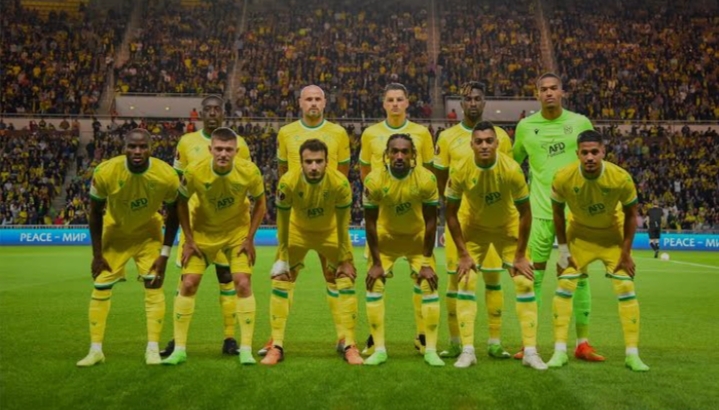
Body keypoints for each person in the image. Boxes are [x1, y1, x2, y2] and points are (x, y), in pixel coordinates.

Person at [513, 73, 602, 361]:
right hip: (539, 214)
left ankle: (582, 343)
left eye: (554, 88)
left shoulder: (580, 123)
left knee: (578, 276)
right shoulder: (526, 127)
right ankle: (529, 344)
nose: (549, 93)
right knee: (533, 277)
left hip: (574, 216)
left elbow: (593, 161)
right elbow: (512, 165)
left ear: (562, 92)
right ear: (536, 94)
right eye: (544, 89)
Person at [444, 122, 546, 370]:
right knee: (465, 280)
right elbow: (450, 213)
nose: (484, 145)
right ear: (471, 145)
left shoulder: (511, 169)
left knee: (524, 282)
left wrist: (520, 256)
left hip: (507, 227)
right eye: (479, 141)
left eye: (489, 141)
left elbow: (525, 213)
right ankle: (468, 351)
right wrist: (463, 253)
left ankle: (530, 351)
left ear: (497, 143)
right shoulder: (460, 169)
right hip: (475, 229)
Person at [258, 85, 351, 356]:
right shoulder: (286, 133)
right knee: (285, 275)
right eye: (308, 99)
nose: (313, 103)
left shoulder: (338, 133)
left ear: (325, 103)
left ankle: (344, 338)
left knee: (334, 276)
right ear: (300, 103)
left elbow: (342, 173)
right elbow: (283, 172)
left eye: (317, 99)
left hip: (328, 218)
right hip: (297, 219)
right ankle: (275, 339)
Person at [162, 127, 266, 366]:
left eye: (228, 150)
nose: (223, 154)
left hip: (236, 234)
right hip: (202, 234)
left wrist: (249, 238)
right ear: (210, 149)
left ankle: (246, 349)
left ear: (236, 151)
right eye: (219, 149)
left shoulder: (249, 171)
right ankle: (179, 349)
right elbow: (180, 203)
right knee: (188, 283)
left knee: (242, 282)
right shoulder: (194, 172)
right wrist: (189, 239)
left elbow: (261, 203)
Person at [76, 129, 180, 367]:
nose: (137, 151)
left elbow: (174, 214)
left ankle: (152, 349)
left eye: (143, 146)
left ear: (151, 149)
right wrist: (97, 255)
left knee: (154, 284)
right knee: (100, 286)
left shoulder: (166, 175)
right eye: (132, 146)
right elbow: (95, 213)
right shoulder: (106, 172)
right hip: (115, 234)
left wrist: (164, 254)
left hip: (149, 234)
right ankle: (95, 350)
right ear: (124, 148)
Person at [547, 130, 649, 372]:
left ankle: (632, 355)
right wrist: (563, 251)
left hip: (611, 237)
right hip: (579, 235)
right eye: (585, 153)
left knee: (625, 287)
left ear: (603, 152)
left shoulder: (620, 178)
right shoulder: (563, 177)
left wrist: (626, 253)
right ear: (577, 154)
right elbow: (557, 214)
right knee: (565, 285)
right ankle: (559, 351)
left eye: (595, 152)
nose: (590, 157)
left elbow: (631, 215)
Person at [261, 139, 362, 365]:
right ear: (301, 162)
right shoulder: (288, 182)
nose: (314, 167)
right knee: (280, 278)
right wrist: (282, 257)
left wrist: (345, 258)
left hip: (330, 232)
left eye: (318, 161)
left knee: (345, 278)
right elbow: (282, 221)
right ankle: (276, 345)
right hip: (298, 232)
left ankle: (349, 344)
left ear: (327, 162)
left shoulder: (340, 183)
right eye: (309, 162)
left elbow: (343, 223)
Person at [433, 81, 514, 359]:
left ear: (484, 102)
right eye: (468, 99)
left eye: (478, 98)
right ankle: (456, 342)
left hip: (493, 219)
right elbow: (441, 181)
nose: (473, 103)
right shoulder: (447, 138)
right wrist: (452, 213)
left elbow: (507, 175)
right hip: (461, 222)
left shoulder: (501, 136)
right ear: (461, 103)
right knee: (456, 282)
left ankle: (494, 342)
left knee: (493, 279)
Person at [359, 82, 435, 355]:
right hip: (383, 218)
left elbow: (428, 171)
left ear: (407, 103)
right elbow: (365, 171)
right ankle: (374, 338)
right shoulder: (370, 134)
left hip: (414, 218)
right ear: (384, 104)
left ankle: (423, 336)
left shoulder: (422, 133)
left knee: (423, 280)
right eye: (390, 99)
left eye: (399, 99)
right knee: (375, 279)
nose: (394, 104)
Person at [362, 134, 442, 366]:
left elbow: (431, 221)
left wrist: (426, 262)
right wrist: (377, 263)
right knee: (374, 284)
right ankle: (379, 349)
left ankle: (430, 350)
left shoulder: (426, 179)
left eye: (404, 152)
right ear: (386, 155)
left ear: (413, 155)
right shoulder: (374, 180)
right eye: (394, 151)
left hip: (416, 240)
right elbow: (370, 222)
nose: (399, 156)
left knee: (429, 284)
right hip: (385, 240)